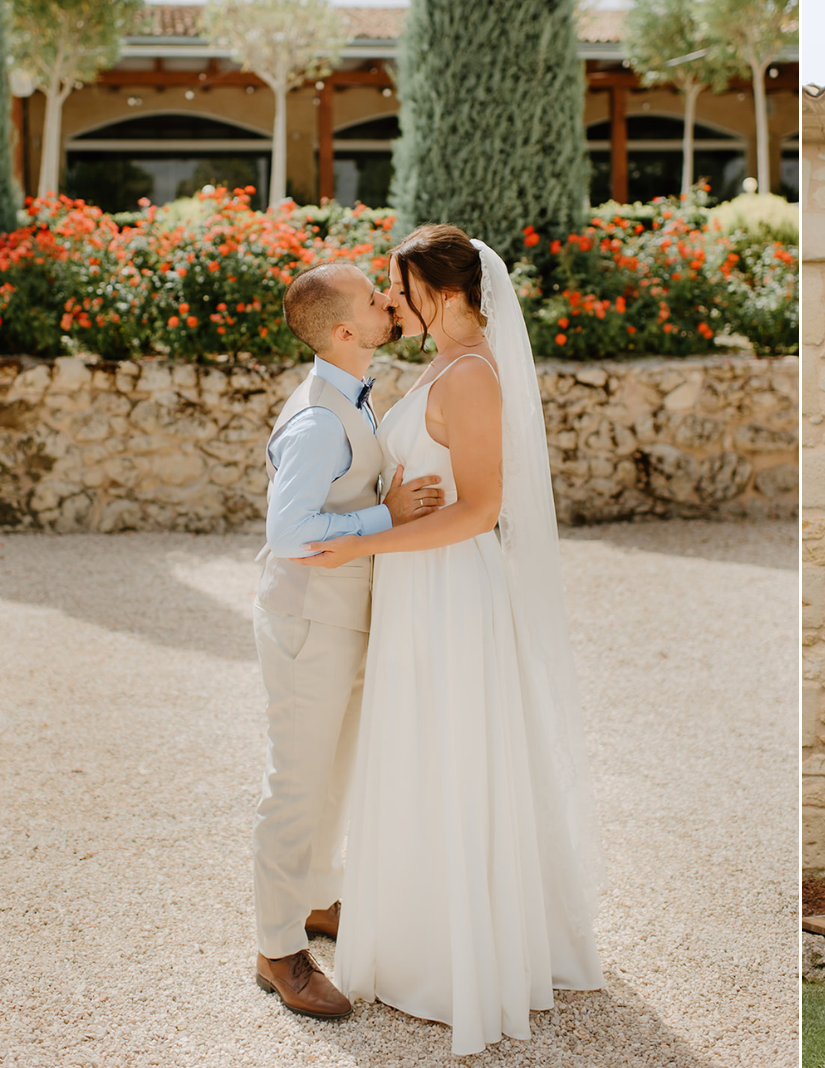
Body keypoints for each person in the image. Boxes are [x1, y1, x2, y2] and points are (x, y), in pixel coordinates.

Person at [295, 225, 605, 1056]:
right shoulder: (437, 365)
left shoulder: (471, 376)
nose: (389, 301)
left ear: (441, 289)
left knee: (450, 756)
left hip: (448, 592)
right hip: (413, 586)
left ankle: (456, 962)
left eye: (398, 286)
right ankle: (412, 938)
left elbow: (480, 511)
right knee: (414, 754)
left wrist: (362, 542)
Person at [251, 262, 443, 1019]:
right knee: (295, 785)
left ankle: (318, 900)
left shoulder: (352, 398)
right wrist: (386, 518)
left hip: (345, 618)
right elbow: (290, 533)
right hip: (308, 624)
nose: (388, 302)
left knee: (334, 776)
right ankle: (277, 949)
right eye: (374, 300)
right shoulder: (318, 420)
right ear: (342, 332)